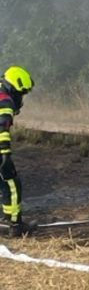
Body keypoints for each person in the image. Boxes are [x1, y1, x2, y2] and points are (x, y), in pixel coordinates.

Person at [0, 66, 37, 237]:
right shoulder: (5, 101)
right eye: (20, 94)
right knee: (12, 184)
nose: (20, 99)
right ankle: (15, 225)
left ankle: (5, 220)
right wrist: (5, 155)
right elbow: (1, 130)